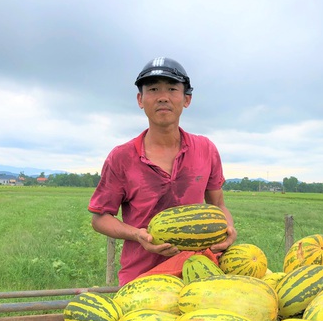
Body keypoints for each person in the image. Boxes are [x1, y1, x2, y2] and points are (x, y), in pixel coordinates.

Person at [88, 57, 237, 285]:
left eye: (172, 89)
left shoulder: (206, 149)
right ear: (140, 99)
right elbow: (100, 218)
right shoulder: (121, 157)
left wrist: (228, 229)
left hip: (195, 274)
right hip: (140, 280)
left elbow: (218, 205)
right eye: (154, 89)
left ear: (187, 99)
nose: (163, 97)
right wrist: (137, 234)